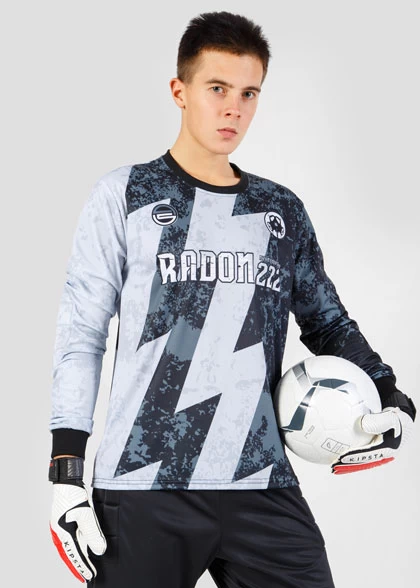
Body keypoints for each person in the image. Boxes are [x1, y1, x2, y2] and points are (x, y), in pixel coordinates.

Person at [48, 10, 416, 588]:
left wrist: (385, 389)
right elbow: (82, 335)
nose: (233, 109)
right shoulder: (125, 195)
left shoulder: (280, 210)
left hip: (260, 481)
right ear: (180, 91)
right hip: (144, 483)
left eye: (249, 93)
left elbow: (325, 320)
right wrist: (66, 471)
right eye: (217, 89)